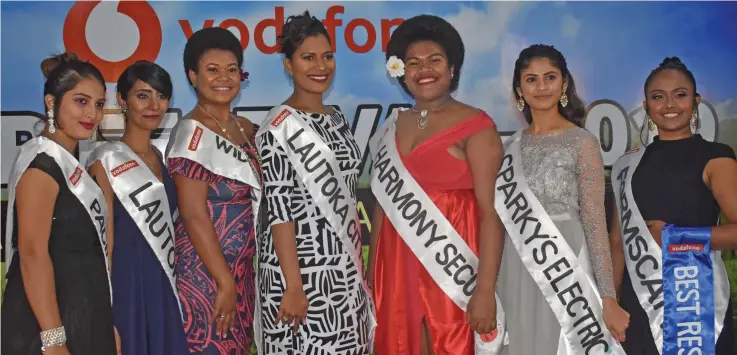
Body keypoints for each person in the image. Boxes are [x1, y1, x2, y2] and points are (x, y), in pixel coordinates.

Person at [368, 15, 505, 355]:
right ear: (402, 71)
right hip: (395, 265)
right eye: (413, 63)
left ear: (452, 69)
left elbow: (492, 215)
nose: (424, 70)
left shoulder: (476, 125)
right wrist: (372, 278)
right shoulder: (391, 126)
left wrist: (485, 289)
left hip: (452, 265)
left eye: (434, 61)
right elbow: (382, 210)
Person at [495, 44, 630, 355]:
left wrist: (608, 298)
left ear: (565, 83)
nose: (541, 87)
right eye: (531, 79)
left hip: (567, 262)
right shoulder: (511, 146)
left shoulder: (582, 142)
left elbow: (595, 223)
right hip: (517, 265)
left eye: (550, 77)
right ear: (519, 88)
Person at [256, 11, 374, 354]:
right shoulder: (278, 126)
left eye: (327, 56)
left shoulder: (336, 118)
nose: (320, 66)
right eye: (308, 57)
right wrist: (293, 285)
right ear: (288, 65)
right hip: (299, 273)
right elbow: (279, 210)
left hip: (343, 268)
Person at [610, 57, 736, 354]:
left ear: (696, 101)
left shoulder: (716, 156)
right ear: (646, 105)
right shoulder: (626, 164)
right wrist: (611, 302)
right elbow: (617, 242)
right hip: (639, 303)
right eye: (658, 96)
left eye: (680, 95)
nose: (670, 104)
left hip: (698, 301)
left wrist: (677, 236)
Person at [1, 53, 116, 355]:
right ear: (52, 103)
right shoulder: (42, 167)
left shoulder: (76, 167)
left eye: (99, 104)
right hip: (47, 328)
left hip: (84, 318)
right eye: (81, 101)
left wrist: (106, 323)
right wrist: (53, 340)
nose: (92, 113)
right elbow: (32, 254)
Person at [166, 27, 262, 354]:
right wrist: (224, 282)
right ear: (193, 76)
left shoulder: (248, 130)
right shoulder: (190, 134)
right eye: (212, 70)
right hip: (206, 276)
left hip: (244, 271)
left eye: (232, 69)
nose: (224, 77)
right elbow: (193, 214)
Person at [86, 61, 188, 355]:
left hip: (163, 283)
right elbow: (103, 244)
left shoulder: (162, 157)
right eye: (143, 95)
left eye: (162, 96)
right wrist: (104, 313)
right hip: (126, 287)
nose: (154, 105)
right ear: (121, 99)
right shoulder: (104, 161)